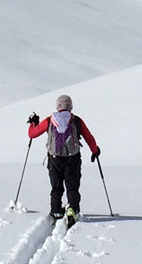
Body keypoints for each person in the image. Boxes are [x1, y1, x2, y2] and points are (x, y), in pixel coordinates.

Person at [27, 94, 100, 223]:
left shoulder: (50, 120)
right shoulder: (76, 120)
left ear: (58, 106)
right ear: (70, 106)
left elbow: (32, 134)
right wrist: (95, 151)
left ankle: (55, 211)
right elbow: (89, 137)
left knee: (56, 186)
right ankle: (72, 209)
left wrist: (33, 123)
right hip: (73, 158)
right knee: (72, 186)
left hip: (54, 158)